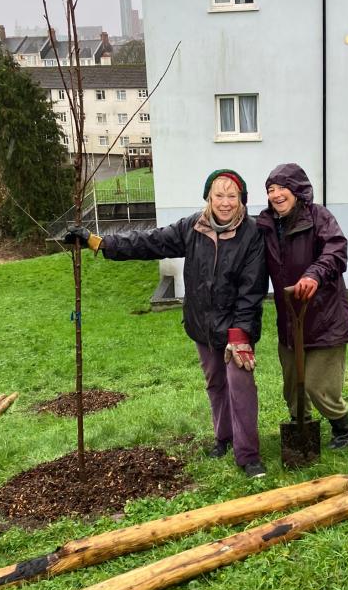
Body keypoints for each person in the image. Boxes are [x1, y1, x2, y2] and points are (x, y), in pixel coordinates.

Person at [64, 169, 268, 479]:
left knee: (240, 387)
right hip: (202, 326)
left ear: (242, 200)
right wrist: (99, 242)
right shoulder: (192, 228)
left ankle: (249, 456)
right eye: (219, 195)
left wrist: (240, 334)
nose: (225, 202)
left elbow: (252, 288)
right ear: (208, 198)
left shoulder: (251, 235)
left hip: (235, 329)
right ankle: (223, 438)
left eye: (232, 196)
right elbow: (149, 242)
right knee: (215, 384)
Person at [257, 163, 348, 449]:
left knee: (316, 385)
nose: (275, 195)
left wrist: (314, 274)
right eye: (270, 190)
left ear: (298, 190)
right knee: (293, 387)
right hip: (291, 321)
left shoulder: (318, 217)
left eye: (281, 188)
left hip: (325, 319)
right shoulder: (265, 226)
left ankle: (343, 429)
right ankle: (301, 431)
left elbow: (336, 250)